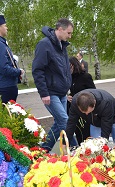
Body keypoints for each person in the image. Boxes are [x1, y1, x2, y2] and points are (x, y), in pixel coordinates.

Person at [32, 18, 77, 152]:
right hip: (50, 93)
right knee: (65, 121)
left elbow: (63, 69)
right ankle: (76, 150)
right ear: (60, 29)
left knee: (59, 123)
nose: (70, 36)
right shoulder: (44, 45)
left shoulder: (62, 45)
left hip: (62, 92)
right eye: (68, 33)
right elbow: (37, 70)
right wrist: (44, 93)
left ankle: (44, 149)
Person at [68, 56, 96, 144]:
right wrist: (67, 96)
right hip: (73, 107)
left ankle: (87, 149)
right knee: (77, 130)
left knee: (86, 131)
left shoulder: (85, 76)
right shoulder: (69, 77)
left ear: (73, 65)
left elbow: (93, 91)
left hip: (85, 107)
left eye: (68, 66)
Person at [0, 15, 24, 103]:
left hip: (6, 85)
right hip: (6, 87)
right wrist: (19, 71)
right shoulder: (1, 45)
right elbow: (4, 68)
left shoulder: (2, 43)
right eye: (5, 25)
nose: (7, 28)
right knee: (7, 114)